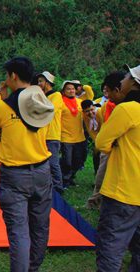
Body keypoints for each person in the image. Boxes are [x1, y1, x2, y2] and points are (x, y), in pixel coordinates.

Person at [0, 57, 54, 272]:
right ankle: (33, 267)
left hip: (14, 175)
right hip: (42, 171)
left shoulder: (0, 107)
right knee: (40, 226)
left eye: (7, 76)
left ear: (13, 76)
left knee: (18, 231)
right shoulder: (43, 101)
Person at [95, 64, 140, 271]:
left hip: (123, 190)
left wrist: (118, 142)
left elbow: (101, 142)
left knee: (111, 246)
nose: (122, 80)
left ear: (134, 83)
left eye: (126, 77)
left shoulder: (127, 109)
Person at [86, 71, 126, 209]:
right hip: (108, 148)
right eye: (105, 91)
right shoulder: (105, 107)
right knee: (101, 177)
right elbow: (99, 129)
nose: (107, 95)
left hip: (122, 151)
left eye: (109, 91)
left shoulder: (126, 109)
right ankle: (94, 202)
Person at [35, 71, 65, 193]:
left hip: (52, 134)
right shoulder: (44, 96)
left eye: (41, 81)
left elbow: (48, 110)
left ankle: (58, 186)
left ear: (48, 83)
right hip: (42, 134)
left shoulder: (56, 95)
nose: (39, 84)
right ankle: (48, 185)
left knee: (53, 163)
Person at [60, 80, 87, 187]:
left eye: (73, 88)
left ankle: (70, 178)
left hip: (80, 136)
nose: (71, 91)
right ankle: (64, 179)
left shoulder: (80, 102)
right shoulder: (60, 102)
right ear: (63, 91)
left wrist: (81, 85)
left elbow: (89, 94)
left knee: (78, 161)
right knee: (67, 161)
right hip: (66, 136)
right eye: (68, 89)